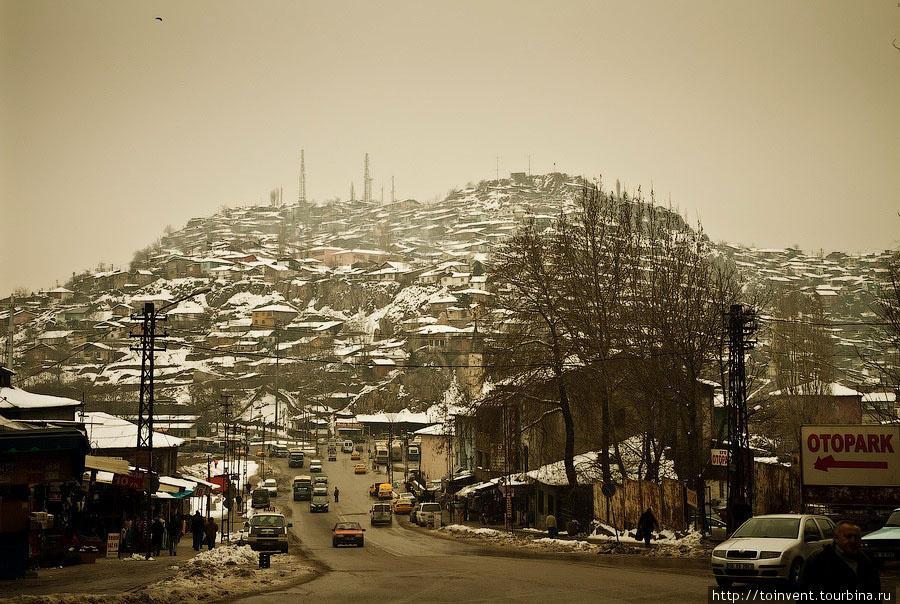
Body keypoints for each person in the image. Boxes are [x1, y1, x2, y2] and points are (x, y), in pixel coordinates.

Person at [800, 520, 880, 595]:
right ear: (836, 538)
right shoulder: (818, 561)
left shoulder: (867, 561)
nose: (853, 541)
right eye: (848, 536)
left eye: (856, 537)